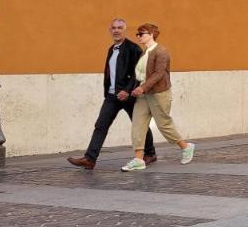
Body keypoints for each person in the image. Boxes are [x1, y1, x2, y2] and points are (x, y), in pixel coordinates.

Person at [67, 17, 156, 170]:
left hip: (129, 96)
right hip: (112, 96)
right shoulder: (111, 49)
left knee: (139, 125)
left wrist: (127, 91)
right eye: (113, 28)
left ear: (124, 30)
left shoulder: (133, 49)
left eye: (119, 28)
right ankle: (90, 159)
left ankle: (150, 153)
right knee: (101, 125)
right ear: (110, 30)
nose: (116, 30)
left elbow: (138, 73)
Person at [121, 23, 195, 171]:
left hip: (159, 94)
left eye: (141, 33)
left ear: (151, 34)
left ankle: (186, 147)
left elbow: (158, 73)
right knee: (138, 124)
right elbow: (141, 74)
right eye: (138, 34)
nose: (138, 36)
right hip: (144, 95)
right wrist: (135, 88)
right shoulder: (145, 52)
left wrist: (142, 87)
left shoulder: (161, 51)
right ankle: (138, 159)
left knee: (164, 124)